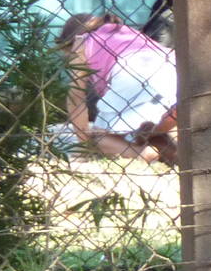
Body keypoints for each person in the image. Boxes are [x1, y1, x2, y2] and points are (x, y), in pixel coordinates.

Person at [56, 12, 178, 166]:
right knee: (144, 133)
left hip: (134, 76)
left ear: (69, 43)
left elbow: (76, 98)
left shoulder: (81, 42)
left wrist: (83, 145)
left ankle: (142, 154)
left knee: (98, 137)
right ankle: (173, 153)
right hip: (175, 74)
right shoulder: (123, 30)